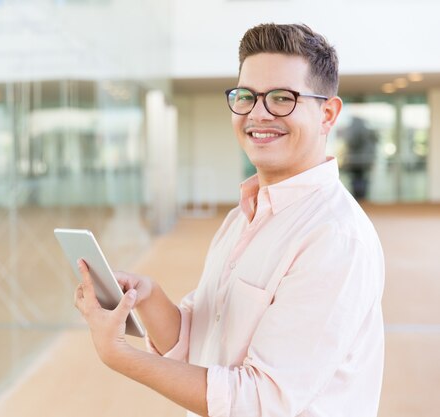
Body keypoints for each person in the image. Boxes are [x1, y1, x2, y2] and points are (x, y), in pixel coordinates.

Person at [74, 23, 384, 417]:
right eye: (246, 96)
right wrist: (148, 296)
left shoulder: (336, 239)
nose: (258, 113)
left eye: (281, 98)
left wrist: (120, 356)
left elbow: (261, 402)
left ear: (327, 113)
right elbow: (200, 341)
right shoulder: (243, 215)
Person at [342, 116, 378, 200]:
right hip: (365, 160)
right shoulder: (368, 131)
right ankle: (362, 197)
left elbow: (351, 142)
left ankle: (358, 197)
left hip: (355, 160)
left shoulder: (352, 130)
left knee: (356, 179)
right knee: (363, 179)